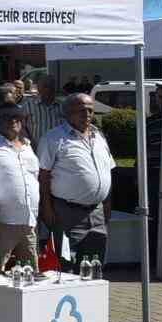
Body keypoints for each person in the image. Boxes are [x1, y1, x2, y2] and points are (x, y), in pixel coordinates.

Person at [38, 93, 114, 268]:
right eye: (81, 110)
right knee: (64, 265)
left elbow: (108, 172)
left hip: (96, 213)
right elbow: (43, 176)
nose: (87, 114)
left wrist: (108, 204)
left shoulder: (99, 136)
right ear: (67, 113)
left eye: (90, 110)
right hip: (66, 213)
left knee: (94, 265)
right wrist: (47, 209)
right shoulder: (53, 138)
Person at [0, 105, 39, 276]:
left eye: (16, 116)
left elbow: (35, 179)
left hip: (29, 221)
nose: (13, 120)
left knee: (31, 272)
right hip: (3, 222)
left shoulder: (29, 146)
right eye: (6, 117)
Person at [26, 73, 62, 149]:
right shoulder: (28, 106)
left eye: (51, 86)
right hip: (36, 148)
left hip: (59, 149)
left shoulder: (63, 106)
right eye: (45, 86)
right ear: (39, 88)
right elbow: (22, 127)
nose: (48, 89)